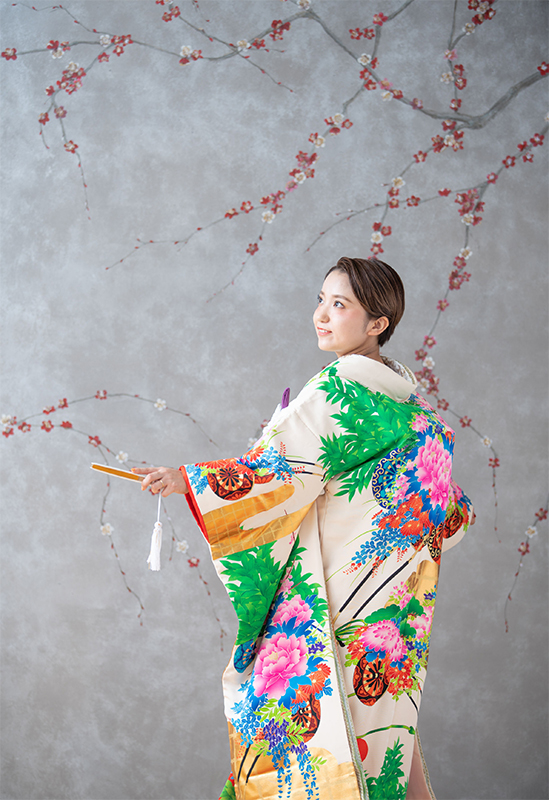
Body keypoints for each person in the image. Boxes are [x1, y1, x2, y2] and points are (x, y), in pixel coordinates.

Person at [133, 257, 473, 800]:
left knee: (320, 730)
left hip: (334, 598)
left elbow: (279, 472)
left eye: (339, 305)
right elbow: (447, 511)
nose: (321, 315)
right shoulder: (418, 413)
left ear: (377, 323)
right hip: (392, 604)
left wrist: (189, 481)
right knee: (385, 730)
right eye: (321, 300)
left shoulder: (338, 388)